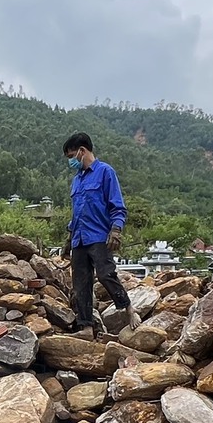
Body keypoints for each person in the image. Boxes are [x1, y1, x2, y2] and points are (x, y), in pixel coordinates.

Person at [64, 132, 132, 334]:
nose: (70, 162)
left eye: (71, 156)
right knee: (81, 283)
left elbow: (117, 206)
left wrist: (116, 229)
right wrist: (69, 238)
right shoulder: (77, 181)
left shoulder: (105, 172)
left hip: (99, 236)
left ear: (82, 151)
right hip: (79, 238)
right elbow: (77, 213)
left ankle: (128, 308)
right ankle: (86, 326)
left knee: (106, 274)